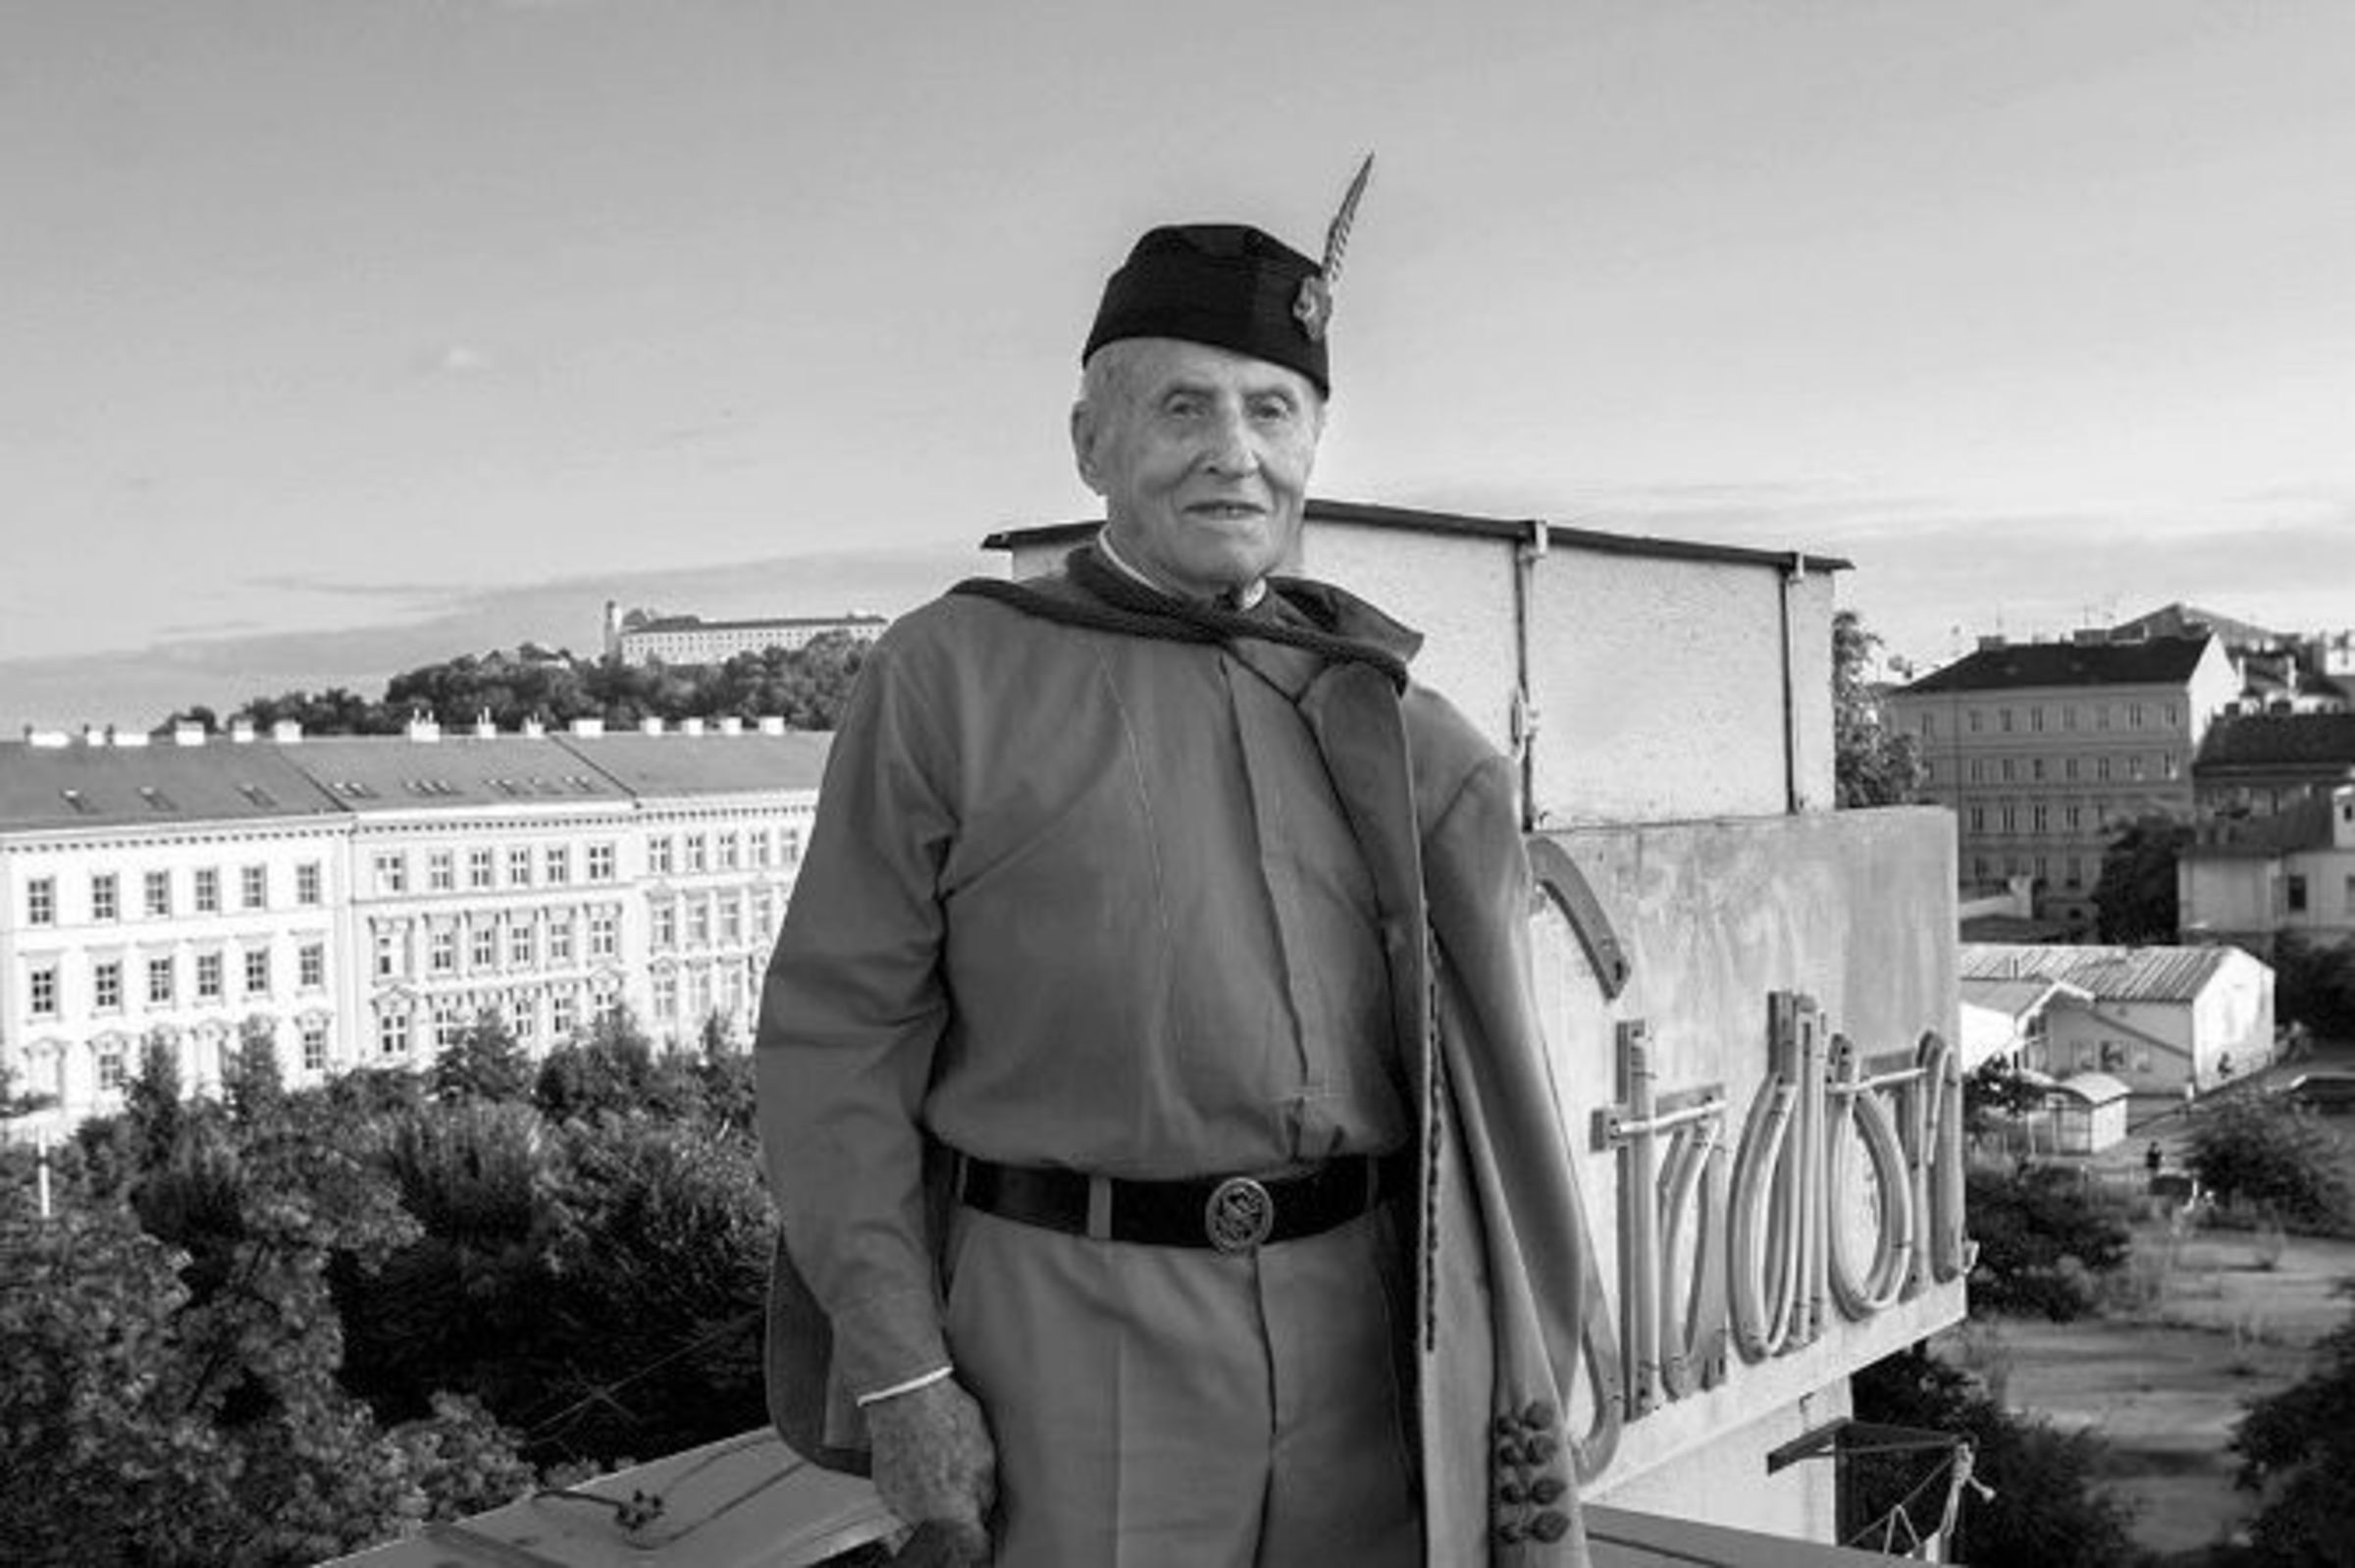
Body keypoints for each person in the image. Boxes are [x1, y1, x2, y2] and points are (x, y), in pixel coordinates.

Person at [757, 179, 1592, 1566]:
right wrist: (902, 1376)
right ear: (1091, 442)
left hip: (1367, 1342)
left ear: (1315, 441)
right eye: (1183, 408)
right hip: (1071, 1346)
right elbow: (835, 1042)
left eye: (1272, 411)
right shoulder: (949, 675)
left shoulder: (1379, 709)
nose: (1233, 455)